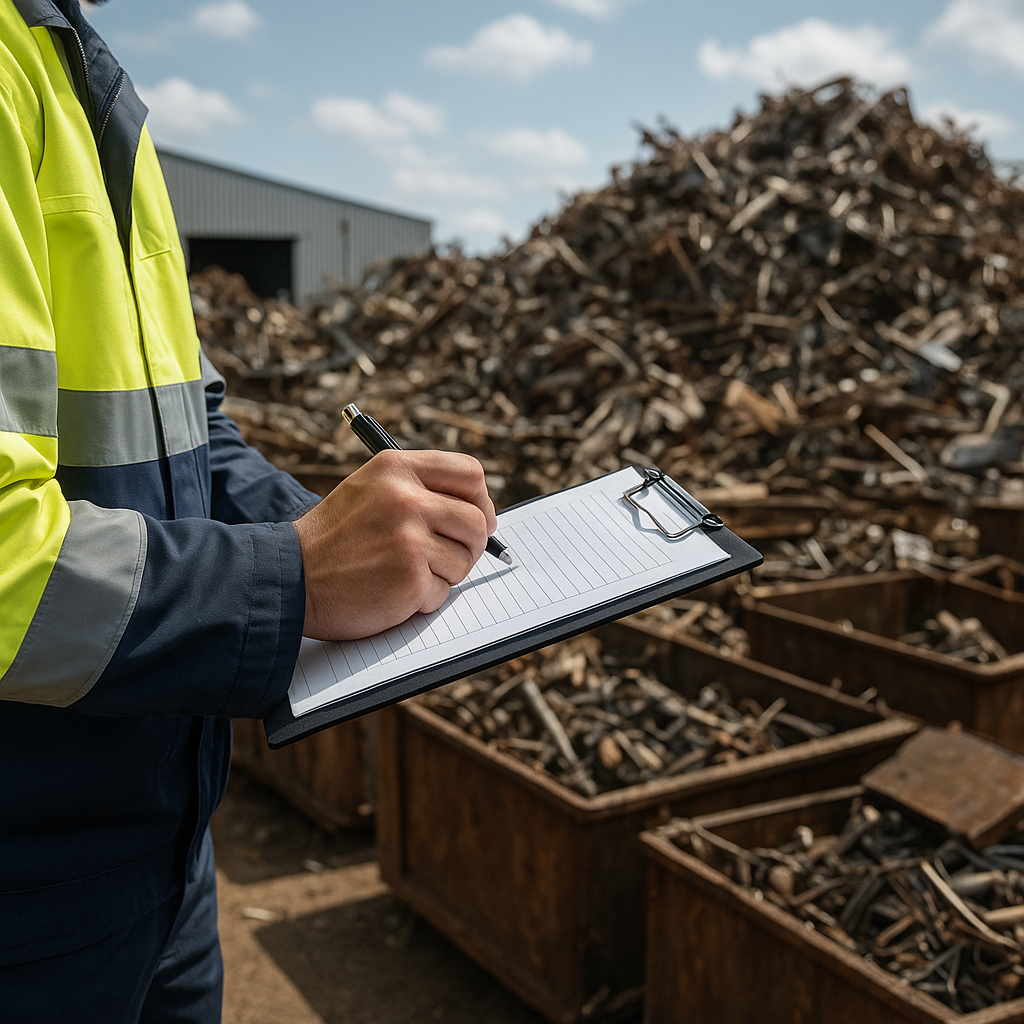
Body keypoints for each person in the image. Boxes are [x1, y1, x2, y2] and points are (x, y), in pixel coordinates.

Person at [0, 1, 496, 1020]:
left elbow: (192, 427)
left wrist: (359, 543)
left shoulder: (82, 76)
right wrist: (297, 577)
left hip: (158, 850)